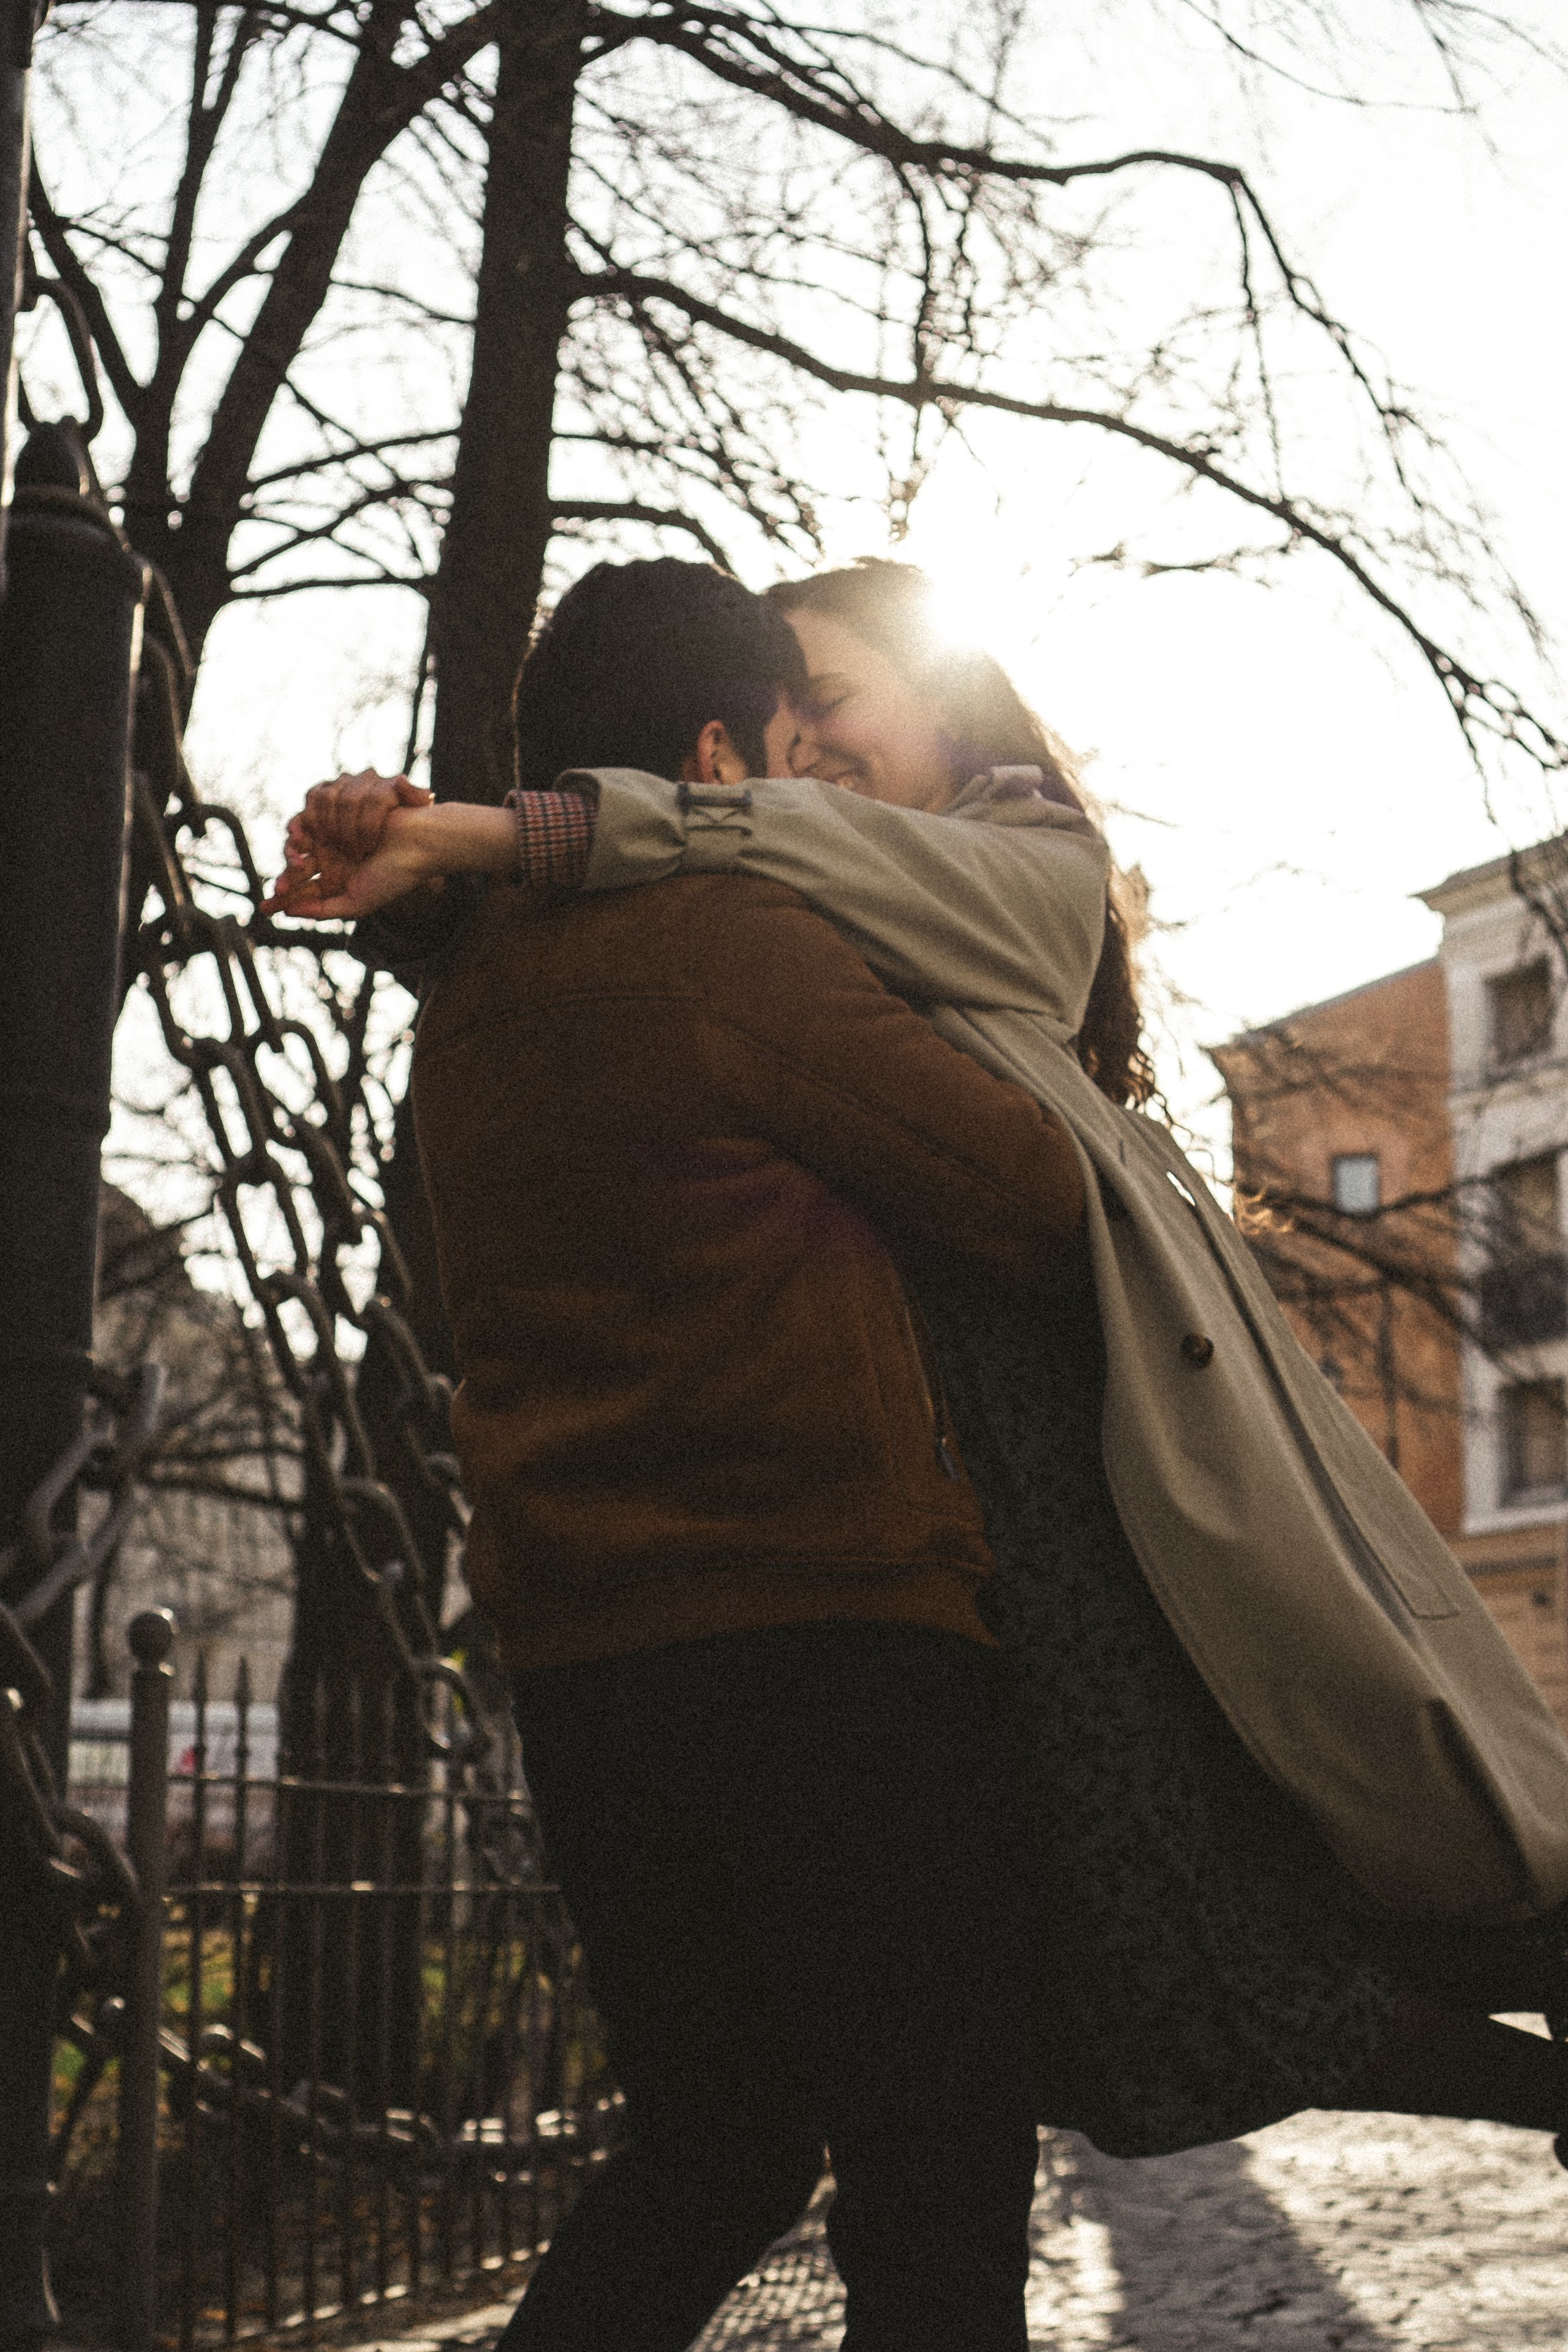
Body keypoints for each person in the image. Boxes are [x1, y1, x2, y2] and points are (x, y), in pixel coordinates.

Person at [273, 562, 1568, 2182]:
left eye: (835, 704)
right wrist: (435, 892)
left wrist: (493, 835)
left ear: (940, 711)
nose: (801, 746)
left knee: (1269, 1901)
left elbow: (726, 856)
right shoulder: (767, 884)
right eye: (776, 716)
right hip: (945, 1517)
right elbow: (656, 960)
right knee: (1161, 1956)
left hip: (1093, 1482)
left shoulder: (1020, 860)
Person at [274, 558, 1094, 2351]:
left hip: (586, 1670)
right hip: (835, 1642)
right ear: (712, 752)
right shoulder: (732, 947)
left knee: (715, 2141)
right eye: (779, 742)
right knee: (933, 2174)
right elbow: (1036, 1202)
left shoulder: (470, 1004)